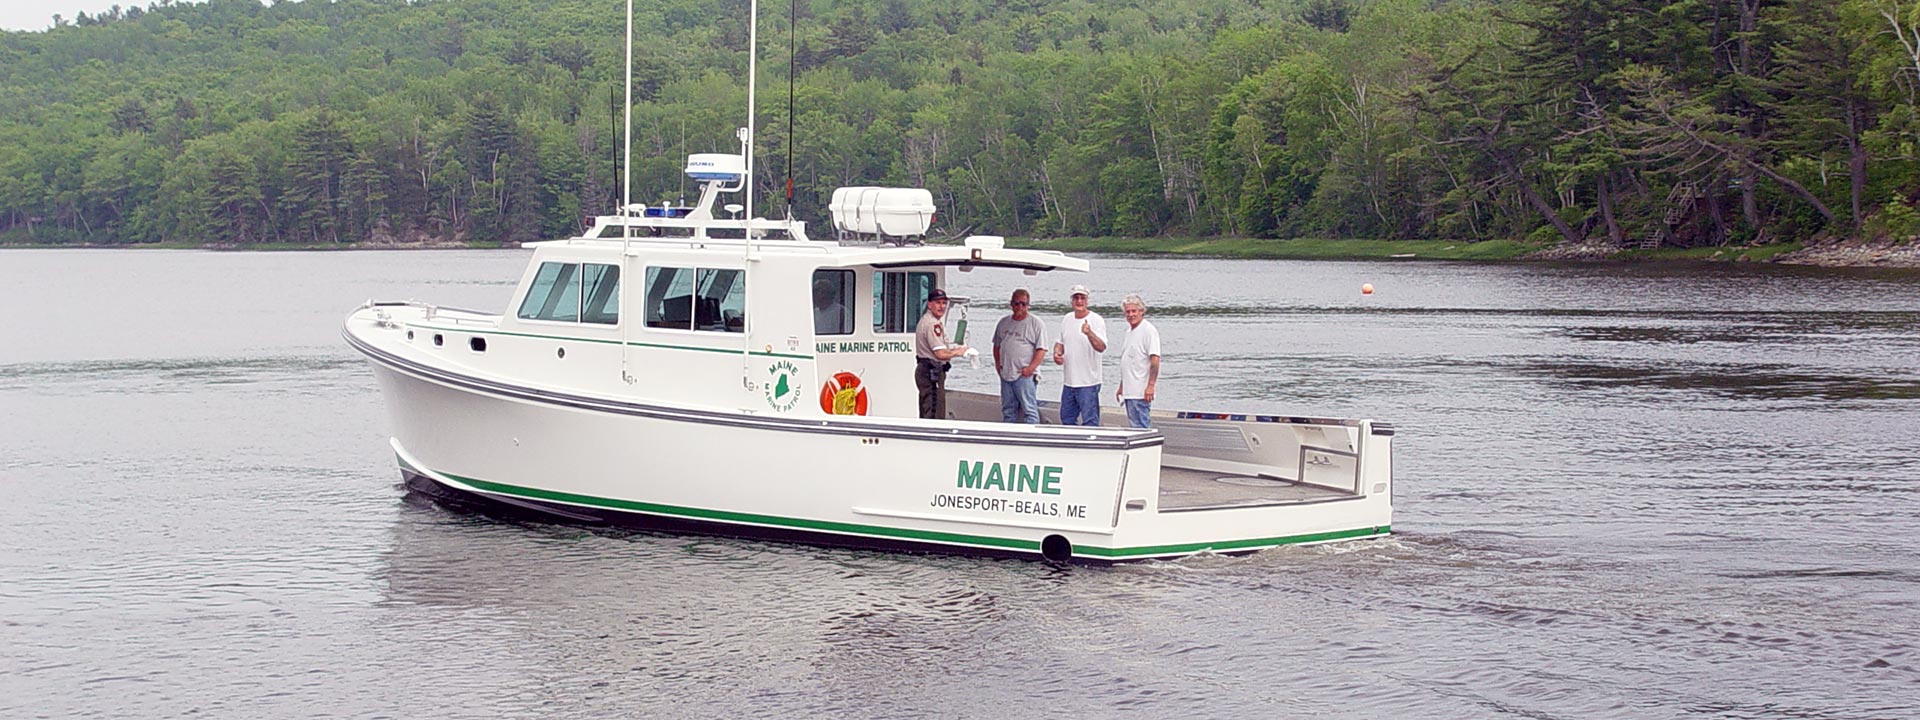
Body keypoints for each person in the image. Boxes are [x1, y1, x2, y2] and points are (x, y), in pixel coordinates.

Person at [1051, 284, 1108, 426]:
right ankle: (1073, 446)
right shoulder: (1067, 319)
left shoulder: (1096, 320)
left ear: (1087, 301)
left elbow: (1101, 347)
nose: (1079, 301)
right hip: (1069, 381)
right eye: (1076, 298)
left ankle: (1092, 446)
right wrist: (1057, 353)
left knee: (1090, 421)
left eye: (1082, 298)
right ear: (1072, 301)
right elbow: (1060, 342)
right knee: (1067, 419)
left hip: (1088, 382)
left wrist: (1089, 333)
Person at [992, 288, 1046, 423]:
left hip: (1024, 375)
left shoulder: (1036, 323)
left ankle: (1031, 439)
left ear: (1028, 305)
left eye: (1023, 304)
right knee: (1008, 411)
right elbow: (997, 345)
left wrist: (1030, 369)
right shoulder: (1003, 322)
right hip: (1006, 374)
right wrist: (998, 366)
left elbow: (1042, 350)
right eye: (1017, 303)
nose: (1020, 307)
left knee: (1030, 410)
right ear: (1011, 304)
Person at [914, 288, 969, 419]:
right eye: (938, 303)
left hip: (926, 370)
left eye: (944, 303)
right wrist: (959, 352)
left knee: (927, 409)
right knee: (933, 412)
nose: (942, 306)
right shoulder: (932, 324)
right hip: (931, 373)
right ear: (929, 304)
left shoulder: (927, 320)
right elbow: (940, 354)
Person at [1115, 293, 1160, 429]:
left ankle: (1147, 449)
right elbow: (1129, 360)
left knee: (1141, 426)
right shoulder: (1129, 332)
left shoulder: (1148, 331)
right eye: (1127, 312)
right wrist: (1122, 386)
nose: (1131, 315)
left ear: (1141, 311)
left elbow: (1155, 360)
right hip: (1129, 390)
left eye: (1134, 311)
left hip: (1140, 391)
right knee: (1133, 425)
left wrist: (1151, 385)